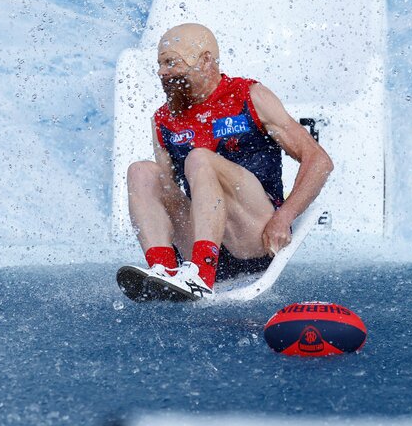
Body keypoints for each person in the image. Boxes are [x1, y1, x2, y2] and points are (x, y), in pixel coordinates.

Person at [117, 23, 333, 300]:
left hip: (255, 238)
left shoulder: (249, 96)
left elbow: (319, 160)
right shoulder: (163, 119)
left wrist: (285, 216)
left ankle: (200, 278)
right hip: (202, 245)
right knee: (141, 172)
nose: (162, 72)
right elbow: (168, 198)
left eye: (171, 62)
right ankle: (166, 272)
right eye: (160, 65)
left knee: (199, 159)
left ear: (206, 60)